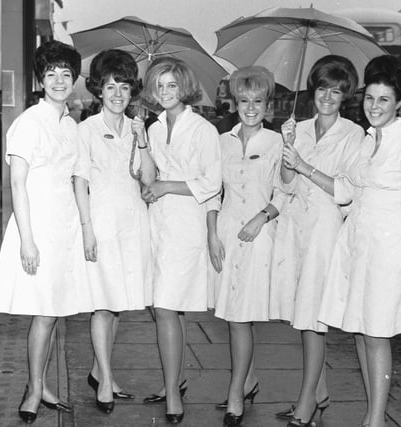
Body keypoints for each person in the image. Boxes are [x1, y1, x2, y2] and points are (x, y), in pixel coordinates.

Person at [312, 55, 401, 427]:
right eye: (369, 99)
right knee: (361, 332)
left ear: (399, 102)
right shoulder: (366, 141)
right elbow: (345, 191)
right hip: (358, 243)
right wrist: (302, 166)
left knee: (377, 332)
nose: (374, 107)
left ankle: (376, 420)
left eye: (383, 100)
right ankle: (371, 412)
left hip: (390, 246)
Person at [0, 40, 92, 424]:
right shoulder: (29, 122)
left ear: (75, 78)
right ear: (41, 79)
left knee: (54, 312)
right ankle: (34, 389)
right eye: (52, 74)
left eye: (67, 73)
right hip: (37, 227)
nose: (60, 80)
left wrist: (86, 230)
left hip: (64, 227)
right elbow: (17, 185)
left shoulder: (71, 124)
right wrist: (27, 240)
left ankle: (42, 384)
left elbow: (78, 179)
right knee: (44, 313)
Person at [270, 55, 364, 427]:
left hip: (326, 230)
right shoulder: (299, 128)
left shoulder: (353, 134)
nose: (328, 97)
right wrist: (288, 152)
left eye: (337, 91)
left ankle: (306, 401)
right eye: (323, 88)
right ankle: (320, 391)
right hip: (295, 228)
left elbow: (345, 190)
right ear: (314, 89)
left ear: (345, 96)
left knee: (312, 319)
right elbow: (285, 185)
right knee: (302, 314)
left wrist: (305, 166)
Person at [139, 56, 222, 424]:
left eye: (172, 85)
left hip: (187, 224)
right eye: (159, 86)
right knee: (166, 306)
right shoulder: (152, 128)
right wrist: (141, 151)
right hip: (157, 222)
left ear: (183, 87)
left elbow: (212, 183)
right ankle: (176, 378)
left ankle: (172, 392)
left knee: (167, 307)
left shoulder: (203, 129)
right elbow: (144, 175)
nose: (165, 92)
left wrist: (165, 186)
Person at [73, 49, 154, 414]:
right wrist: (88, 230)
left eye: (124, 86)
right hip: (102, 223)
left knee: (118, 303)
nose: (118, 94)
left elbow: (148, 178)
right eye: (110, 86)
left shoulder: (138, 128)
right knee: (103, 304)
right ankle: (105, 380)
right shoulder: (86, 130)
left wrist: (141, 139)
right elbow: (79, 182)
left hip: (133, 222)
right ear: (98, 90)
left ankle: (99, 371)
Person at [206, 66, 284, 427]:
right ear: (234, 102)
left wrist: (262, 216)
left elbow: (287, 191)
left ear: (268, 104)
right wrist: (211, 233)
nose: (250, 107)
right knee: (233, 315)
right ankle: (248, 380)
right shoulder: (221, 141)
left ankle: (236, 393)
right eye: (243, 100)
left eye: (258, 100)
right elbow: (212, 192)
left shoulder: (277, 141)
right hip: (225, 236)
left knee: (240, 317)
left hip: (257, 237)